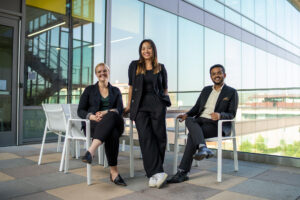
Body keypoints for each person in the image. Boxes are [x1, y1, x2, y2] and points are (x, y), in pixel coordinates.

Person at [167, 64, 238, 183]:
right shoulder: (206, 90)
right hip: (200, 122)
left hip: (216, 124)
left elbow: (232, 114)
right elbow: (196, 108)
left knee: (192, 135)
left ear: (224, 75)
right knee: (189, 119)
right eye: (214, 74)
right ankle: (203, 148)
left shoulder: (231, 92)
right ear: (211, 77)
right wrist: (187, 114)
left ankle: (183, 172)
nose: (216, 75)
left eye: (219, 73)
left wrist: (220, 115)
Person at [124, 39, 171, 189]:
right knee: (145, 137)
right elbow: (131, 87)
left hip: (157, 106)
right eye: (143, 48)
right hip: (140, 107)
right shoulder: (134, 65)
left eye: (149, 48)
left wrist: (164, 103)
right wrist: (128, 105)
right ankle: (156, 172)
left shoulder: (161, 67)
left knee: (160, 137)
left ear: (153, 50)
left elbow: (165, 89)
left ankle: (154, 174)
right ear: (140, 51)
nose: (146, 51)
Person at [78, 63, 126, 186]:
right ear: (96, 74)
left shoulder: (115, 91)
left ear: (108, 73)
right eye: (99, 72)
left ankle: (91, 150)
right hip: (95, 125)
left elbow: (120, 109)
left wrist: (105, 112)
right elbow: (80, 110)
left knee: (111, 114)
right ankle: (114, 173)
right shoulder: (89, 90)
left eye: (104, 71)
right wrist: (92, 116)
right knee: (112, 134)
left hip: (116, 122)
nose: (102, 73)